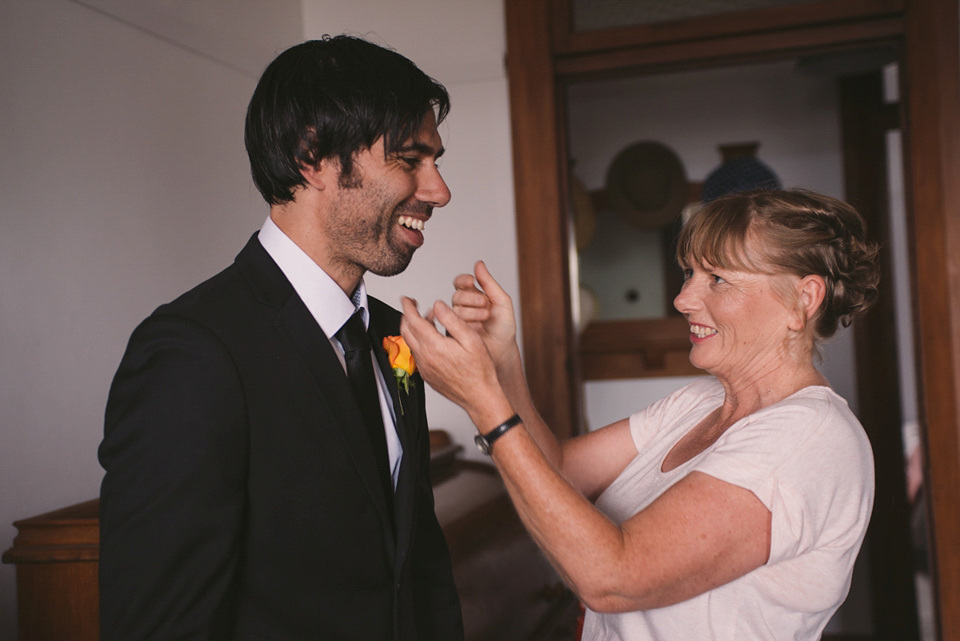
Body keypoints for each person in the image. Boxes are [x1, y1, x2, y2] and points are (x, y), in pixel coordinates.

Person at [98, 36, 464, 641]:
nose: (438, 190)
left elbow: (418, 564)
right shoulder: (192, 355)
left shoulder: (394, 336)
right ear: (312, 156)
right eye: (409, 158)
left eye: (436, 160)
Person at [401, 189, 878, 640]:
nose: (684, 298)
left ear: (804, 299)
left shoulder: (808, 439)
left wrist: (484, 403)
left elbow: (613, 578)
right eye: (689, 273)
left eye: (718, 279)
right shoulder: (699, 402)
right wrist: (503, 361)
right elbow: (559, 472)